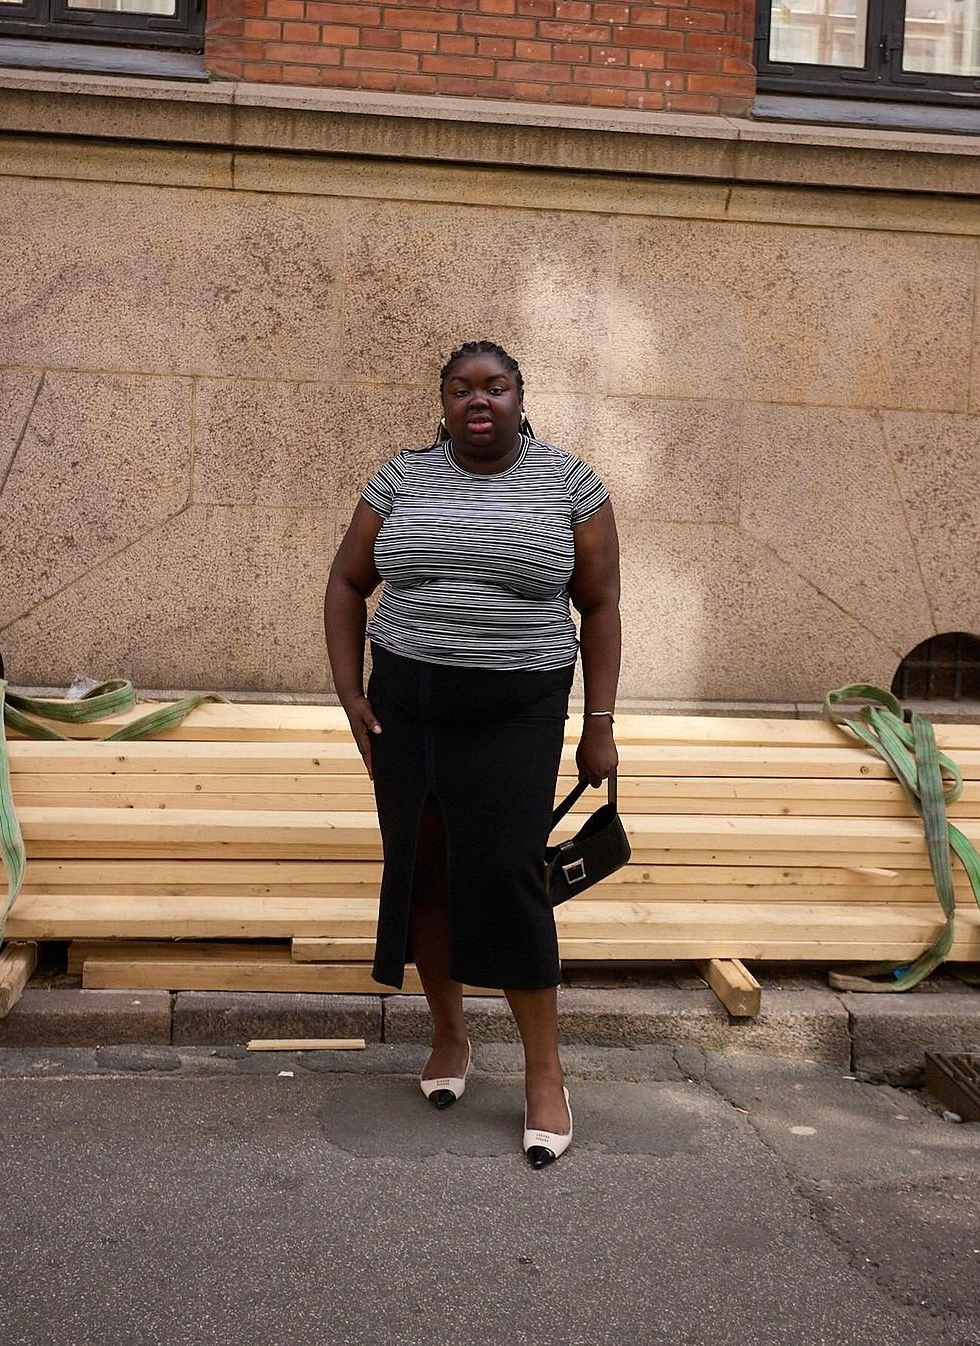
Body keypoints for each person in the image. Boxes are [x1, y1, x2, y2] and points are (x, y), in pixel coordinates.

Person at [323, 340, 621, 1168]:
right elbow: (348, 581)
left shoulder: (570, 483)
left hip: (516, 714)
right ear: (444, 403)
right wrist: (353, 695)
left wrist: (598, 721)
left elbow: (599, 605)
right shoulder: (400, 479)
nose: (478, 401)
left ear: (522, 396)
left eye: (496, 387)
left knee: (509, 879)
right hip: (407, 713)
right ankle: (450, 1039)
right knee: (423, 869)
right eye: (462, 390)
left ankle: (545, 1075)